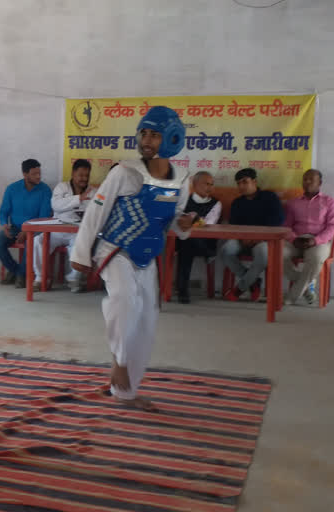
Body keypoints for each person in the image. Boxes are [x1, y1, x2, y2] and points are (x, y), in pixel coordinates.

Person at [70, 106, 193, 411]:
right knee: (126, 301)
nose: (147, 140)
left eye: (155, 134)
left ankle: (125, 392)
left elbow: (174, 220)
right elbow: (96, 211)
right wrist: (81, 254)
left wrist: (184, 224)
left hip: (147, 255)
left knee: (147, 321)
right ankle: (119, 363)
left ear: (172, 138)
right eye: (144, 133)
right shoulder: (124, 172)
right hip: (114, 249)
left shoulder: (183, 180)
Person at [32, 159, 97, 292]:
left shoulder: (93, 191)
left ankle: (73, 279)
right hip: (57, 230)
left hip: (77, 233)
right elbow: (56, 205)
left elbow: (96, 210)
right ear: (73, 174)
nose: (84, 178)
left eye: (86, 175)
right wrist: (78, 199)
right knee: (38, 241)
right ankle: (40, 278)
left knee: (82, 246)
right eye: (81, 175)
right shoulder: (62, 187)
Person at [221, 168, 285, 302]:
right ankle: (253, 282)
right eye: (238, 183)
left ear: (254, 181)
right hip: (242, 240)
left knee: (263, 253)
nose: (241, 186)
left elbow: (277, 221)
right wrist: (242, 238)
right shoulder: (237, 203)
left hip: (263, 240)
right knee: (225, 250)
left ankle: (240, 288)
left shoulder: (270, 198)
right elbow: (234, 226)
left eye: (245, 182)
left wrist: (258, 237)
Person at [0, 159, 52, 288]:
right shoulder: (12, 189)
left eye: (39, 173)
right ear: (25, 175)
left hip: (36, 229)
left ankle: (21, 275)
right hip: (15, 227)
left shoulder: (45, 190)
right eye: (34, 174)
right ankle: (17, 271)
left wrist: (28, 230)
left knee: (31, 242)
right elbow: (4, 211)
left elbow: (44, 217)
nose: (38, 176)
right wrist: (4, 224)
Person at [283, 169, 334, 305]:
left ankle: (292, 296)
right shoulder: (292, 203)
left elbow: (332, 226)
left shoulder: (329, 202)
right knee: (276, 253)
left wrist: (315, 240)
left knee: (316, 258)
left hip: (319, 241)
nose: (307, 182)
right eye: (305, 179)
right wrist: (293, 239)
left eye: (311, 179)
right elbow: (286, 226)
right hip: (296, 240)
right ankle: (305, 288)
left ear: (320, 183)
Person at [175, 171, 222, 303]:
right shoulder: (183, 201)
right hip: (186, 242)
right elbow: (177, 219)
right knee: (186, 244)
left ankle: (182, 290)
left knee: (187, 243)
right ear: (195, 184)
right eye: (206, 184)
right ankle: (183, 290)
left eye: (212, 184)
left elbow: (209, 223)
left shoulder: (216, 203)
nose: (210, 187)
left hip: (206, 242)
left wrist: (190, 221)